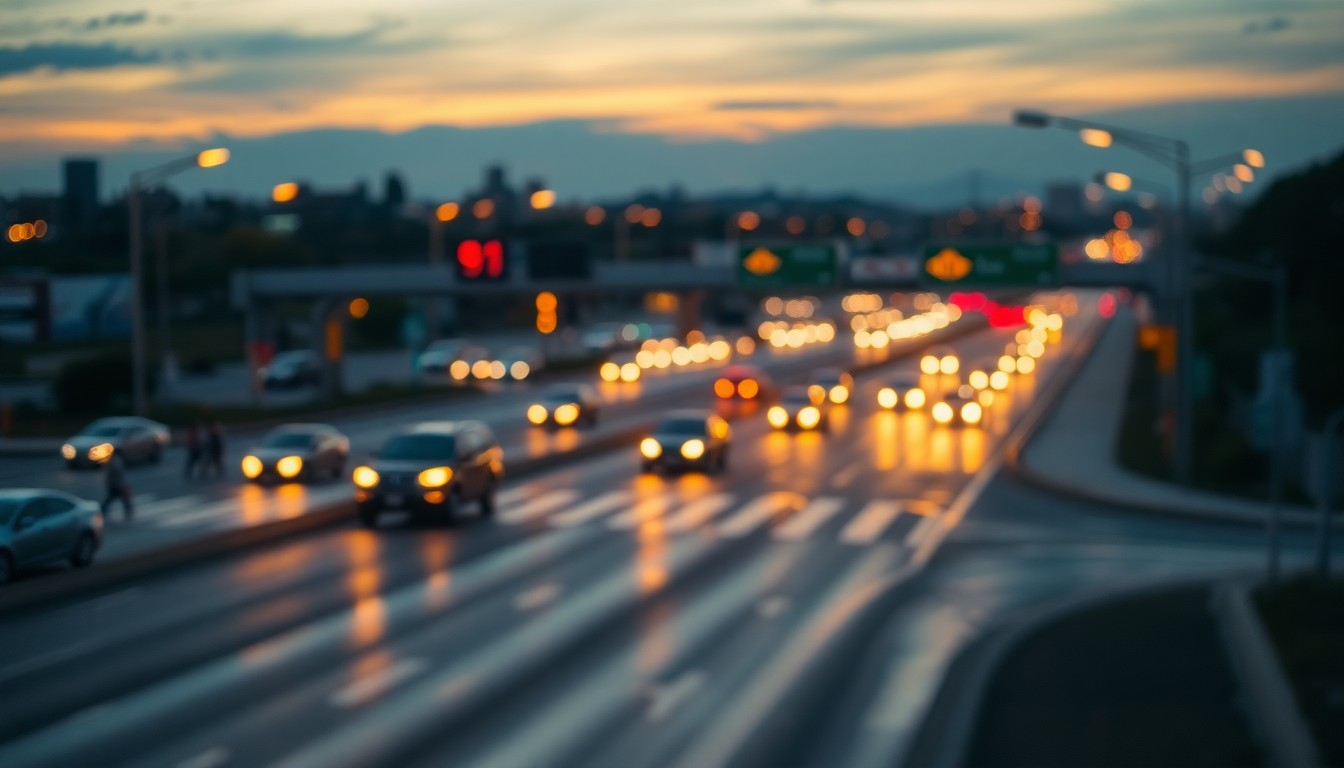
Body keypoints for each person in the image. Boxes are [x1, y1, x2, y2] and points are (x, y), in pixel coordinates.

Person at [101, 451, 134, 521]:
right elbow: (119, 475)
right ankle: (128, 512)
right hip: (117, 485)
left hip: (114, 484)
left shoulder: (112, 461)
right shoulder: (117, 462)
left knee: (109, 499)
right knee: (124, 500)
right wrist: (123, 485)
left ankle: (102, 512)